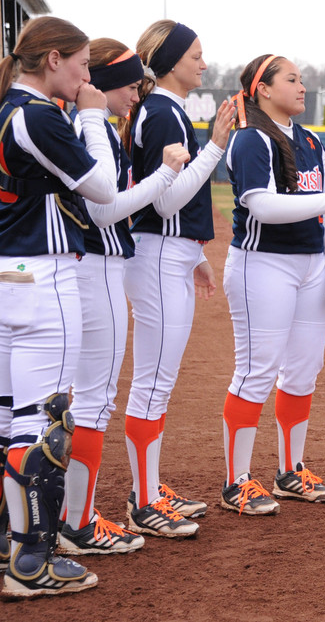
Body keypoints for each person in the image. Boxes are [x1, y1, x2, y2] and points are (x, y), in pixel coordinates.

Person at [220, 54, 325, 515]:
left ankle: (290, 470)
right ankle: (236, 480)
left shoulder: (309, 140)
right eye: (291, 79)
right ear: (263, 90)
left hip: (309, 266)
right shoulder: (251, 140)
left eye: (301, 79)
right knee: (256, 372)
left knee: (304, 370)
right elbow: (263, 207)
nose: (302, 86)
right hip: (262, 264)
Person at [0, 16, 118, 598]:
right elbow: (103, 189)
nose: (85, 74)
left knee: (7, 418)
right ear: (52, 59)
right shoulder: (39, 113)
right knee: (45, 422)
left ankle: (10, 541)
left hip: (5, 272)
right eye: (81, 63)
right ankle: (31, 562)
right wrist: (94, 116)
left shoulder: (5, 108)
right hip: (41, 276)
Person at [59, 39, 188, 557]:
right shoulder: (90, 128)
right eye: (132, 84)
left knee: (84, 398)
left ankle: (74, 516)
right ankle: (78, 524)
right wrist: (166, 174)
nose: (137, 94)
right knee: (94, 400)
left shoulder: (96, 128)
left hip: (91, 265)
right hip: (97, 263)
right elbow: (105, 212)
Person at [122, 20, 234, 539]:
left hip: (169, 253)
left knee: (157, 384)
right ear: (169, 62)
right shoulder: (164, 110)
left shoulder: (164, 108)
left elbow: (166, 205)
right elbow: (164, 198)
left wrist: (195, 254)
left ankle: (149, 487)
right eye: (195, 55)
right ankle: (143, 500)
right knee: (152, 384)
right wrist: (214, 147)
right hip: (159, 254)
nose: (204, 64)